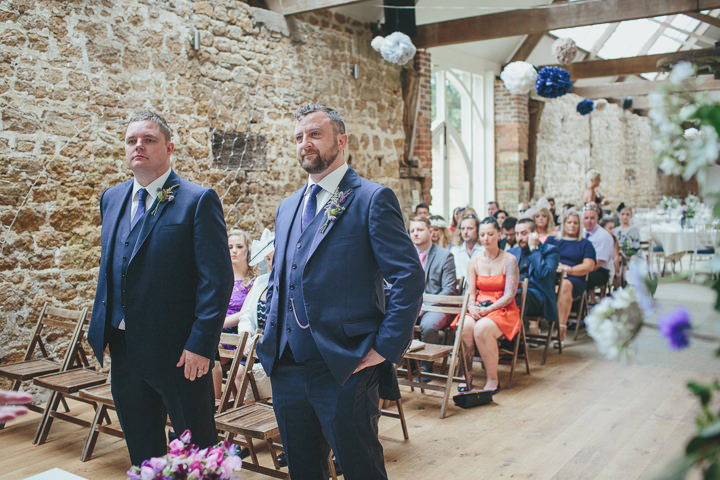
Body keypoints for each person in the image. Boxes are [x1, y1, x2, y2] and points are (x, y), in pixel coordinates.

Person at [256, 104, 424, 480]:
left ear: (341, 141)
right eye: (299, 137)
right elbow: (281, 277)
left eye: (315, 134)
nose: (305, 144)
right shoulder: (287, 208)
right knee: (303, 468)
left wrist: (385, 347)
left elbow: (409, 277)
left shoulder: (371, 198)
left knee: (360, 466)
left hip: (346, 364)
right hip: (286, 366)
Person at [87, 111, 233, 465]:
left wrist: (201, 344)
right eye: (132, 141)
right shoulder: (112, 198)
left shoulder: (197, 200)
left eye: (149, 140)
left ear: (168, 149)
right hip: (123, 348)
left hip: (181, 355)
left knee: (197, 454)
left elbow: (217, 281)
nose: (139, 146)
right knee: (142, 449)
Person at [457, 217, 520, 392]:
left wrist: (488, 309)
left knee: (482, 329)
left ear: (499, 235)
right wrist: (471, 307)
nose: (486, 238)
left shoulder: (510, 260)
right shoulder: (475, 260)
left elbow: (509, 295)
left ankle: (492, 379)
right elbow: (469, 290)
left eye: (490, 234)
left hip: (502, 308)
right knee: (465, 326)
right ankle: (467, 376)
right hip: (479, 305)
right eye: (483, 234)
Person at [211, 229, 260, 398]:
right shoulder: (220, 277)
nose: (233, 250)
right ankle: (214, 405)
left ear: (248, 250)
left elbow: (247, 312)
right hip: (219, 332)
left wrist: (219, 323)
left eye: (239, 246)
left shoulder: (254, 281)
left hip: (240, 333)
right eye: (230, 246)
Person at [409, 216, 456, 373]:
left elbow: (449, 289)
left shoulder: (445, 256)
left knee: (428, 325)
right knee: (397, 318)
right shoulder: (408, 254)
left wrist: (425, 306)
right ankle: (405, 363)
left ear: (430, 232)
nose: (415, 234)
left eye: (420, 230)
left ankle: (426, 366)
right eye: (412, 230)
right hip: (414, 304)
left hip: (439, 306)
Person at [545, 210, 596, 341]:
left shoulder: (585, 244)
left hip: (574, 279)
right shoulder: (552, 240)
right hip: (552, 275)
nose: (572, 225)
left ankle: (561, 328)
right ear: (563, 224)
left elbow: (589, 266)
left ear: (580, 226)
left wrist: (568, 270)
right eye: (569, 222)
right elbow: (542, 258)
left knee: (565, 285)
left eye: (575, 223)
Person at [508, 219, 560, 337]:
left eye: (524, 233)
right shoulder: (511, 252)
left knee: (517, 297)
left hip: (538, 297)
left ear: (534, 234)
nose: (519, 238)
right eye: (517, 234)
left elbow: (543, 274)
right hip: (514, 294)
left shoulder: (550, 251)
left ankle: (512, 343)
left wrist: (534, 250)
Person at [582, 204, 614, 303]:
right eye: (586, 218)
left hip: (599, 270)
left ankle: (579, 307)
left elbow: (599, 262)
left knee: (578, 279)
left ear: (597, 219)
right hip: (582, 266)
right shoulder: (581, 233)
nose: (589, 221)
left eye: (592, 218)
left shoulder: (604, 236)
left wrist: (580, 270)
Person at [450, 213, 483, 281]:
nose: (465, 232)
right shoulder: (454, 251)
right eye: (462, 228)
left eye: (470, 228)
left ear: (478, 230)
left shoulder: (484, 250)